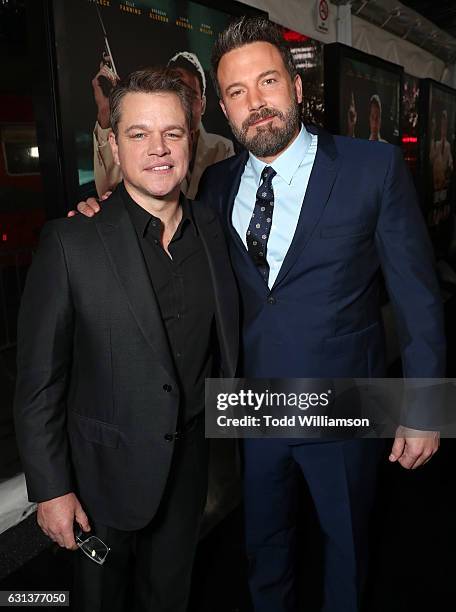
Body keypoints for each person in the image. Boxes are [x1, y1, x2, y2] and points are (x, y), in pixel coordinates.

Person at [76, 17, 445, 612]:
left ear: (296, 88)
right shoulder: (216, 185)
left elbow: (418, 296)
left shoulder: (371, 169)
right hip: (251, 408)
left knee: (347, 548)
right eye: (237, 93)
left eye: (267, 82)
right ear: (220, 107)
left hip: (346, 402)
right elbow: (157, 231)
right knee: (261, 546)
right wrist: (100, 218)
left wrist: (425, 410)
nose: (257, 104)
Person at [14, 68, 238, 612]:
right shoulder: (72, 243)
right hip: (99, 485)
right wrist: (50, 489)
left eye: (172, 133)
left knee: (171, 596)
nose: (158, 150)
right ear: (114, 143)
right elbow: (40, 383)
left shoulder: (212, 229)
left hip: (188, 474)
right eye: (139, 134)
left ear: (192, 139)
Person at [92, 50, 234, 199]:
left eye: (189, 95)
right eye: (139, 135)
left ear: (202, 104)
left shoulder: (222, 148)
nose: (159, 149)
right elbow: (109, 190)